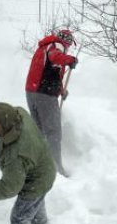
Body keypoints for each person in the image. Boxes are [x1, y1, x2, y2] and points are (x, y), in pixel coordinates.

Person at [25, 29, 78, 176]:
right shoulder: (56, 46)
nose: (68, 48)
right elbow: (55, 57)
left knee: (38, 131)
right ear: (67, 41)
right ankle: (56, 168)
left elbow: (50, 73)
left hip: (32, 92)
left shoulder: (45, 46)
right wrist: (70, 60)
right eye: (69, 44)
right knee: (53, 131)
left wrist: (60, 90)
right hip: (44, 95)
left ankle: (34, 164)